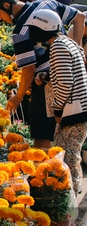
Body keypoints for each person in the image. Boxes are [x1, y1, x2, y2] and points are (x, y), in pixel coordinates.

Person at [0, 0, 85, 149]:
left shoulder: (21, 31)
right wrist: (76, 50)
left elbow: (29, 69)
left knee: (42, 136)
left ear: (6, 6)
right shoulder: (47, 4)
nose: (1, 18)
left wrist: (18, 97)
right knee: (65, 135)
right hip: (70, 78)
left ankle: (44, 171)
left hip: (45, 83)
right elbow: (80, 17)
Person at [24, 10, 87, 196]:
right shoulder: (65, 42)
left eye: (34, 29)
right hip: (78, 109)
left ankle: (70, 207)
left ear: (43, 28)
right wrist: (48, 76)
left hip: (73, 111)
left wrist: (57, 109)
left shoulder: (58, 47)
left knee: (68, 159)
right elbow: (70, 71)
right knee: (67, 156)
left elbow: (67, 83)